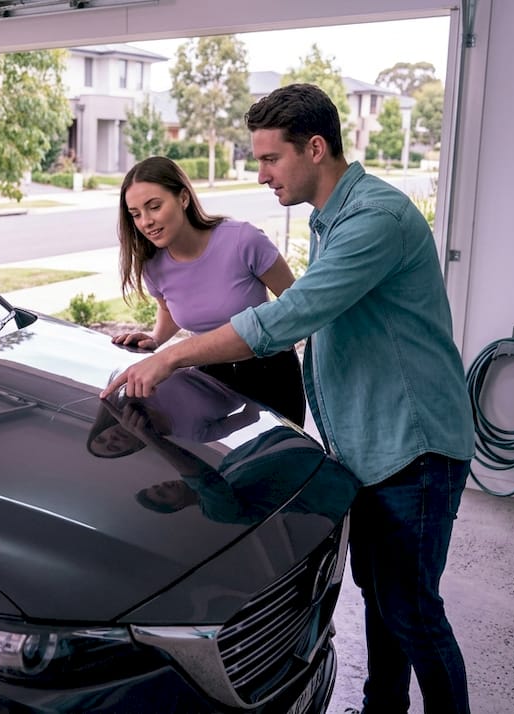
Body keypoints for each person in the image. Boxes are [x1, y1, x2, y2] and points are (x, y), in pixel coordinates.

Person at [101, 83, 476, 714]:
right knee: (382, 600)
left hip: (415, 445)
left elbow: (289, 316)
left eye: (271, 158)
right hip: (371, 446)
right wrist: (160, 340)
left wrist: (170, 356)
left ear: (316, 147)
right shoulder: (333, 218)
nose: (261, 172)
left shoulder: (373, 220)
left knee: (411, 610)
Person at [110, 156, 306, 426]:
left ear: (183, 198)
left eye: (154, 207)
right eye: (135, 214)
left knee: (284, 460)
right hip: (209, 377)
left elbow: (297, 305)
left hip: (270, 373)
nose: (146, 222)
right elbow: (169, 309)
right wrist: (156, 338)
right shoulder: (152, 265)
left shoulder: (243, 240)